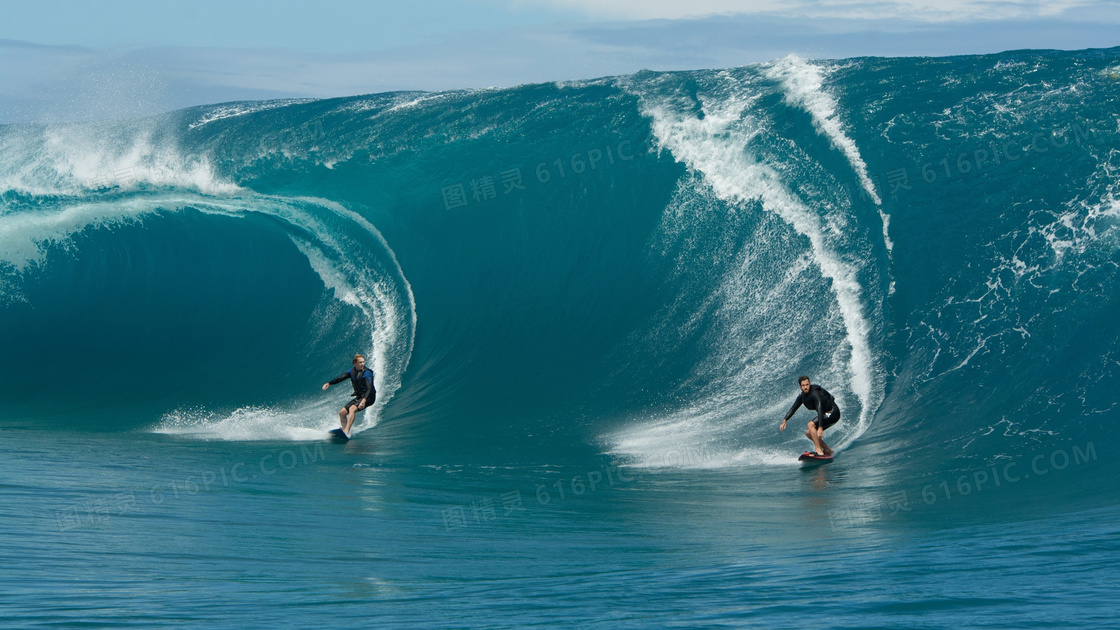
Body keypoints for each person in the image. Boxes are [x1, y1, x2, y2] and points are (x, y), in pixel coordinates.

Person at [779, 375, 840, 456]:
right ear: (800, 386)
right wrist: (785, 420)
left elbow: (820, 409)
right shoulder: (802, 396)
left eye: (807, 385)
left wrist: (820, 427)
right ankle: (828, 450)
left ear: (810, 384)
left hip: (833, 412)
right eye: (803, 385)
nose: (805, 387)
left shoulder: (815, 393)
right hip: (825, 414)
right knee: (809, 433)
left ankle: (818, 450)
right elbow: (793, 408)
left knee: (810, 425)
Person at [322, 354, 376, 436]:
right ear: (355, 363)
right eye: (360, 362)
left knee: (352, 408)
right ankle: (344, 431)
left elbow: (370, 388)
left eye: (363, 362)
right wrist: (329, 383)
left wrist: (364, 401)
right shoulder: (352, 371)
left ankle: (346, 431)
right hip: (360, 397)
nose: (362, 364)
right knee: (342, 413)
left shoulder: (367, 373)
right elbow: (340, 378)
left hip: (369, 397)